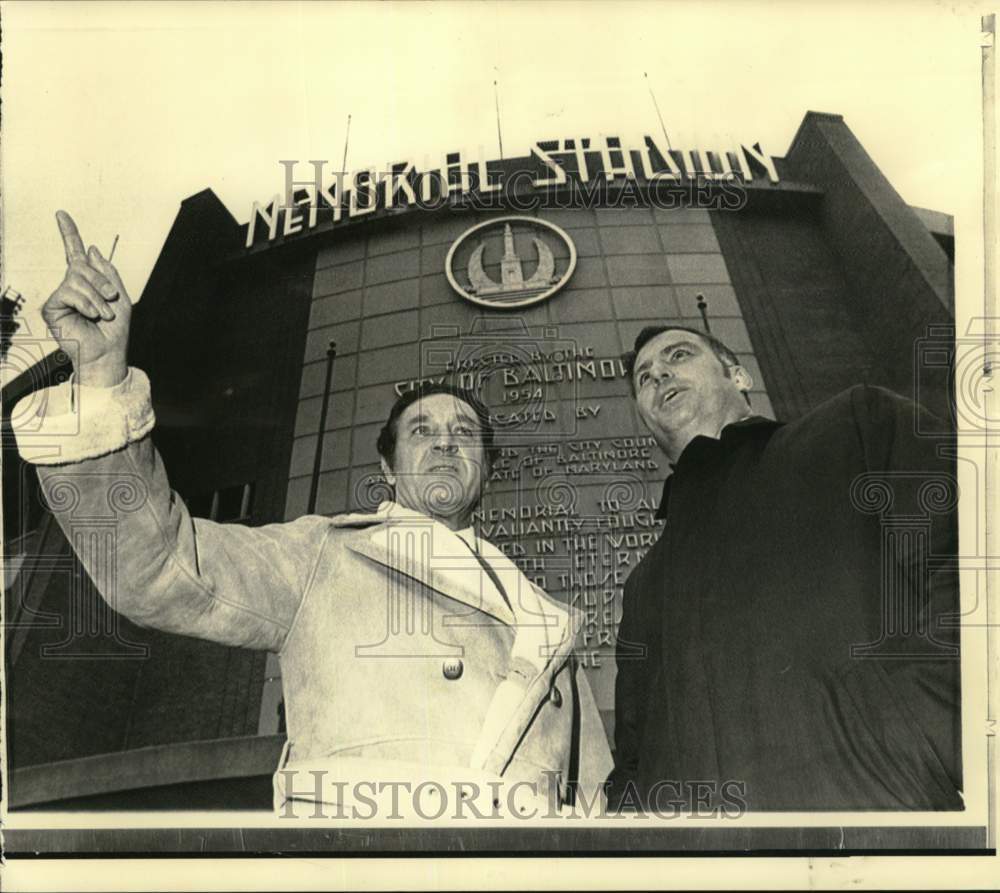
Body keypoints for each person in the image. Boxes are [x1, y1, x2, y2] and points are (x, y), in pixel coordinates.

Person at [12, 211, 612, 818]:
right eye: (422, 431)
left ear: (487, 468)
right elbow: (164, 570)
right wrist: (99, 380)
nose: (446, 443)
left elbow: (595, 801)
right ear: (388, 469)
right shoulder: (324, 554)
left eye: (464, 434)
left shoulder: (546, 617)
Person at [608, 324, 962, 812]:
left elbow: (970, 549)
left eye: (678, 354)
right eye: (644, 378)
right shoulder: (644, 586)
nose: (659, 374)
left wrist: (929, 729)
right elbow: (632, 754)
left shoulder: (856, 429)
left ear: (739, 375)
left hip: (879, 826)